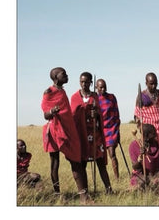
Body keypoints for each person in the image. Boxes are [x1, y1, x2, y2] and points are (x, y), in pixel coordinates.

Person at [41, 67, 92, 202]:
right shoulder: (48, 92)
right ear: (56, 77)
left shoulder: (62, 91)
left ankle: (83, 196)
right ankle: (57, 195)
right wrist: (52, 111)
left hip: (67, 130)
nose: (67, 76)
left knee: (75, 161)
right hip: (54, 131)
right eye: (64, 74)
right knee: (55, 163)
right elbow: (46, 114)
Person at [70, 72, 113, 194]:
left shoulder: (95, 96)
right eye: (82, 81)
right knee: (82, 163)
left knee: (100, 162)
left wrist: (96, 114)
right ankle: (85, 191)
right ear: (79, 82)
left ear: (91, 83)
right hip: (81, 135)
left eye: (87, 82)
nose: (84, 84)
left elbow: (100, 114)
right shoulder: (74, 97)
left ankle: (109, 189)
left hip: (95, 134)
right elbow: (73, 115)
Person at [95, 78, 122, 182]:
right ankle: (105, 178)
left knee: (112, 153)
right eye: (101, 87)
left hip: (112, 129)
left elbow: (116, 112)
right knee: (101, 156)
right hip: (100, 129)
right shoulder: (95, 99)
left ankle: (117, 178)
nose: (103, 89)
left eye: (104, 86)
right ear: (97, 87)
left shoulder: (111, 97)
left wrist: (118, 129)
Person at [134, 72, 159, 151]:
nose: (154, 86)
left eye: (155, 84)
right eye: (151, 84)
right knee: (152, 152)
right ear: (146, 83)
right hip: (149, 131)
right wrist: (141, 128)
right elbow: (137, 115)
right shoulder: (142, 96)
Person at [128, 123, 159, 189]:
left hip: (155, 175)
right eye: (153, 134)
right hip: (140, 176)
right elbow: (135, 167)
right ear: (146, 136)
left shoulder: (155, 144)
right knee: (143, 182)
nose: (155, 135)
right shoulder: (134, 145)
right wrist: (140, 158)